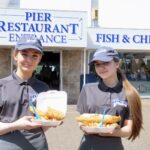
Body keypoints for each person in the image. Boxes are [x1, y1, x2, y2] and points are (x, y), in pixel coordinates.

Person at [77, 47, 143, 150]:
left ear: (117, 64)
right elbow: (82, 121)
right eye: (98, 64)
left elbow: (128, 129)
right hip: (87, 146)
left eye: (106, 62)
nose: (101, 67)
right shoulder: (87, 89)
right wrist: (85, 128)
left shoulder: (129, 93)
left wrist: (116, 132)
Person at [0, 35, 49, 150]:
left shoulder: (43, 88)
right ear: (15, 55)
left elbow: (44, 124)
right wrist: (16, 125)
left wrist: (54, 121)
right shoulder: (2, 86)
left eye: (34, 56)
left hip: (38, 146)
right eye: (24, 54)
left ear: (39, 59)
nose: (29, 60)